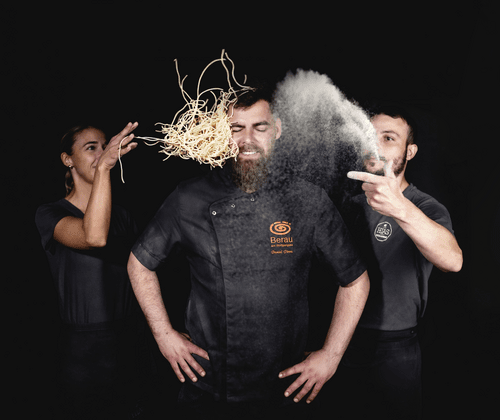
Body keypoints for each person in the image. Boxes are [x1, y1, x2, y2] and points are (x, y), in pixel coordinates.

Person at [127, 87, 370, 420]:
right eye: (236, 128)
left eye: (260, 127)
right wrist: (164, 335)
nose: (248, 140)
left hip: (286, 388)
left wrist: (331, 356)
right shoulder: (189, 197)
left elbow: (355, 280)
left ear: (277, 129)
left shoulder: (308, 200)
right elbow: (139, 264)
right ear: (220, 132)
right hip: (208, 386)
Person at [330, 104, 463, 419]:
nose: (375, 145)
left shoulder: (425, 208)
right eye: (370, 136)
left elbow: (452, 261)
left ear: (410, 151)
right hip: (339, 341)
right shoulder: (348, 206)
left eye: (388, 138)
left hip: (394, 351)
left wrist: (400, 208)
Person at [35, 122, 150, 419]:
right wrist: (104, 169)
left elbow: (143, 277)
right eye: (91, 148)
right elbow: (94, 237)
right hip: (84, 351)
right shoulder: (50, 213)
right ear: (67, 160)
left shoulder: (123, 216)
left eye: (105, 146)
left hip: (130, 341)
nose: (102, 153)